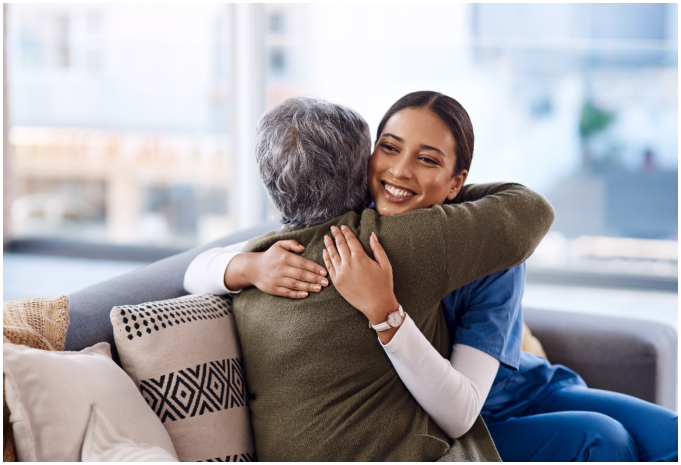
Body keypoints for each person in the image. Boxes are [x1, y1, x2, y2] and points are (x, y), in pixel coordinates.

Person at [186, 92, 679, 462]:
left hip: (514, 389)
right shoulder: (348, 230)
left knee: (668, 437)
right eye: (389, 149)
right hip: (457, 419)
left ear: (458, 181)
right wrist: (246, 266)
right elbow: (197, 267)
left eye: (427, 159)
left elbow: (469, 393)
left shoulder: (490, 246)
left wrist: (388, 309)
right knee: (604, 439)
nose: (399, 171)